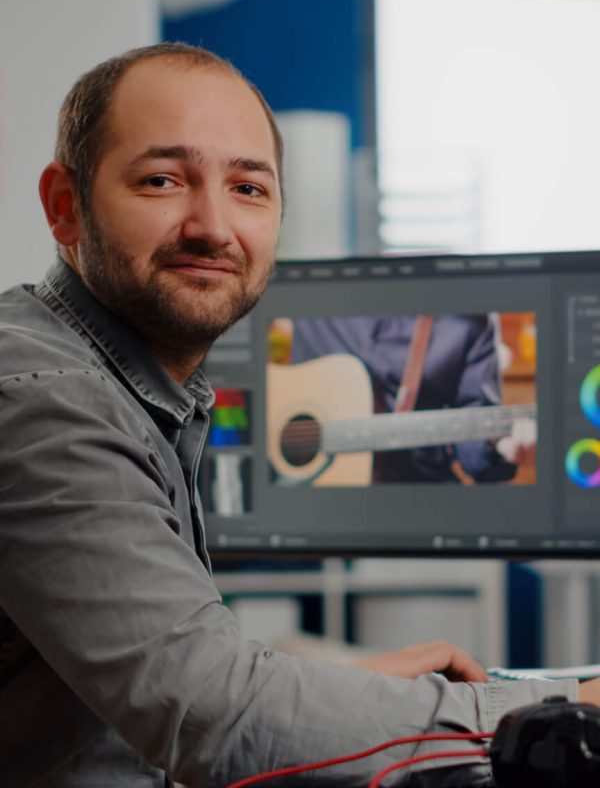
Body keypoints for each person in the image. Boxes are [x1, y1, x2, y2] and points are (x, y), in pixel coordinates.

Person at [0, 42, 597, 788]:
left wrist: (355, 696)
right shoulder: (41, 397)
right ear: (65, 205)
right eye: (162, 180)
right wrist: (556, 710)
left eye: (249, 188)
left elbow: (164, 699)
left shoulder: (133, 387)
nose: (213, 224)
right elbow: (213, 716)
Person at [287, 314, 535, 483]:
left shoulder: (467, 320)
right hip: (311, 502)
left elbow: (474, 452)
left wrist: (499, 447)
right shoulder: (315, 305)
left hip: (422, 499)